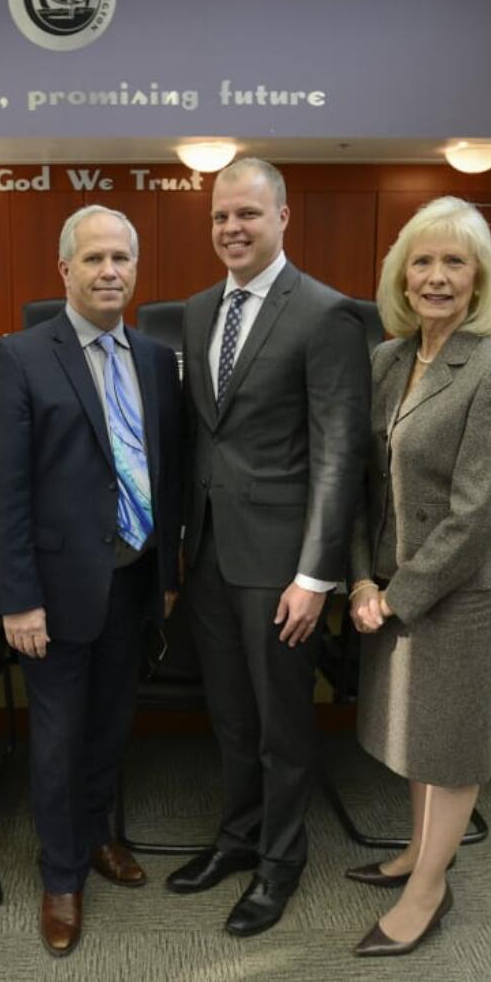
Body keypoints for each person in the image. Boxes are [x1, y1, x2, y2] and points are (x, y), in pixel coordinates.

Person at [0, 205, 181, 957]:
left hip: (130, 582)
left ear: (135, 267)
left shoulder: (156, 359)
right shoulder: (20, 356)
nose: (108, 272)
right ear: (64, 270)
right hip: (53, 595)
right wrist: (17, 598)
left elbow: (167, 470)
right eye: (93, 259)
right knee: (57, 740)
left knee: (108, 726)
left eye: (121, 258)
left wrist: (165, 571)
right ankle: (60, 875)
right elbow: (1, 494)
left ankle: (97, 838)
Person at [168, 158, 370, 936]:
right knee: (231, 719)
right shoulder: (194, 311)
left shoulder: (326, 314)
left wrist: (316, 575)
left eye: (248, 214)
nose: (232, 229)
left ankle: (281, 863)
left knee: (284, 725)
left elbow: (338, 454)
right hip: (213, 557)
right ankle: (238, 840)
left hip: (285, 567)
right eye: (221, 217)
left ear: (285, 216)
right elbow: (202, 439)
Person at [345, 196, 491, 956]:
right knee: (414, 739)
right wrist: (361, 581)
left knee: (448, 747)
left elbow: (476, 512)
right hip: (388, 585)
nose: (436, 276)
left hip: (455, 592)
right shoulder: (387, 360)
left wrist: (397, 596)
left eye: (455, 262)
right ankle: (419, 853)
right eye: (422, 261)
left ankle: (429, 891)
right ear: (400, 275)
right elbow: (361, 485)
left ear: (481, 277)